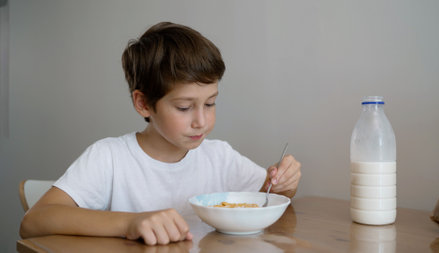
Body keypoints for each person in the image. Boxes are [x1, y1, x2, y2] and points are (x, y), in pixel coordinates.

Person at [20, 22, 302, 246]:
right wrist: (130, 223)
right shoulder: (110, 158)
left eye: (211, 103)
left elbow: (268, 195)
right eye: (183, 107)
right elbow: (33, 222)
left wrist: (283, 183)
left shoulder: (219, 157)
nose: (201, 121)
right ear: (143, 104)